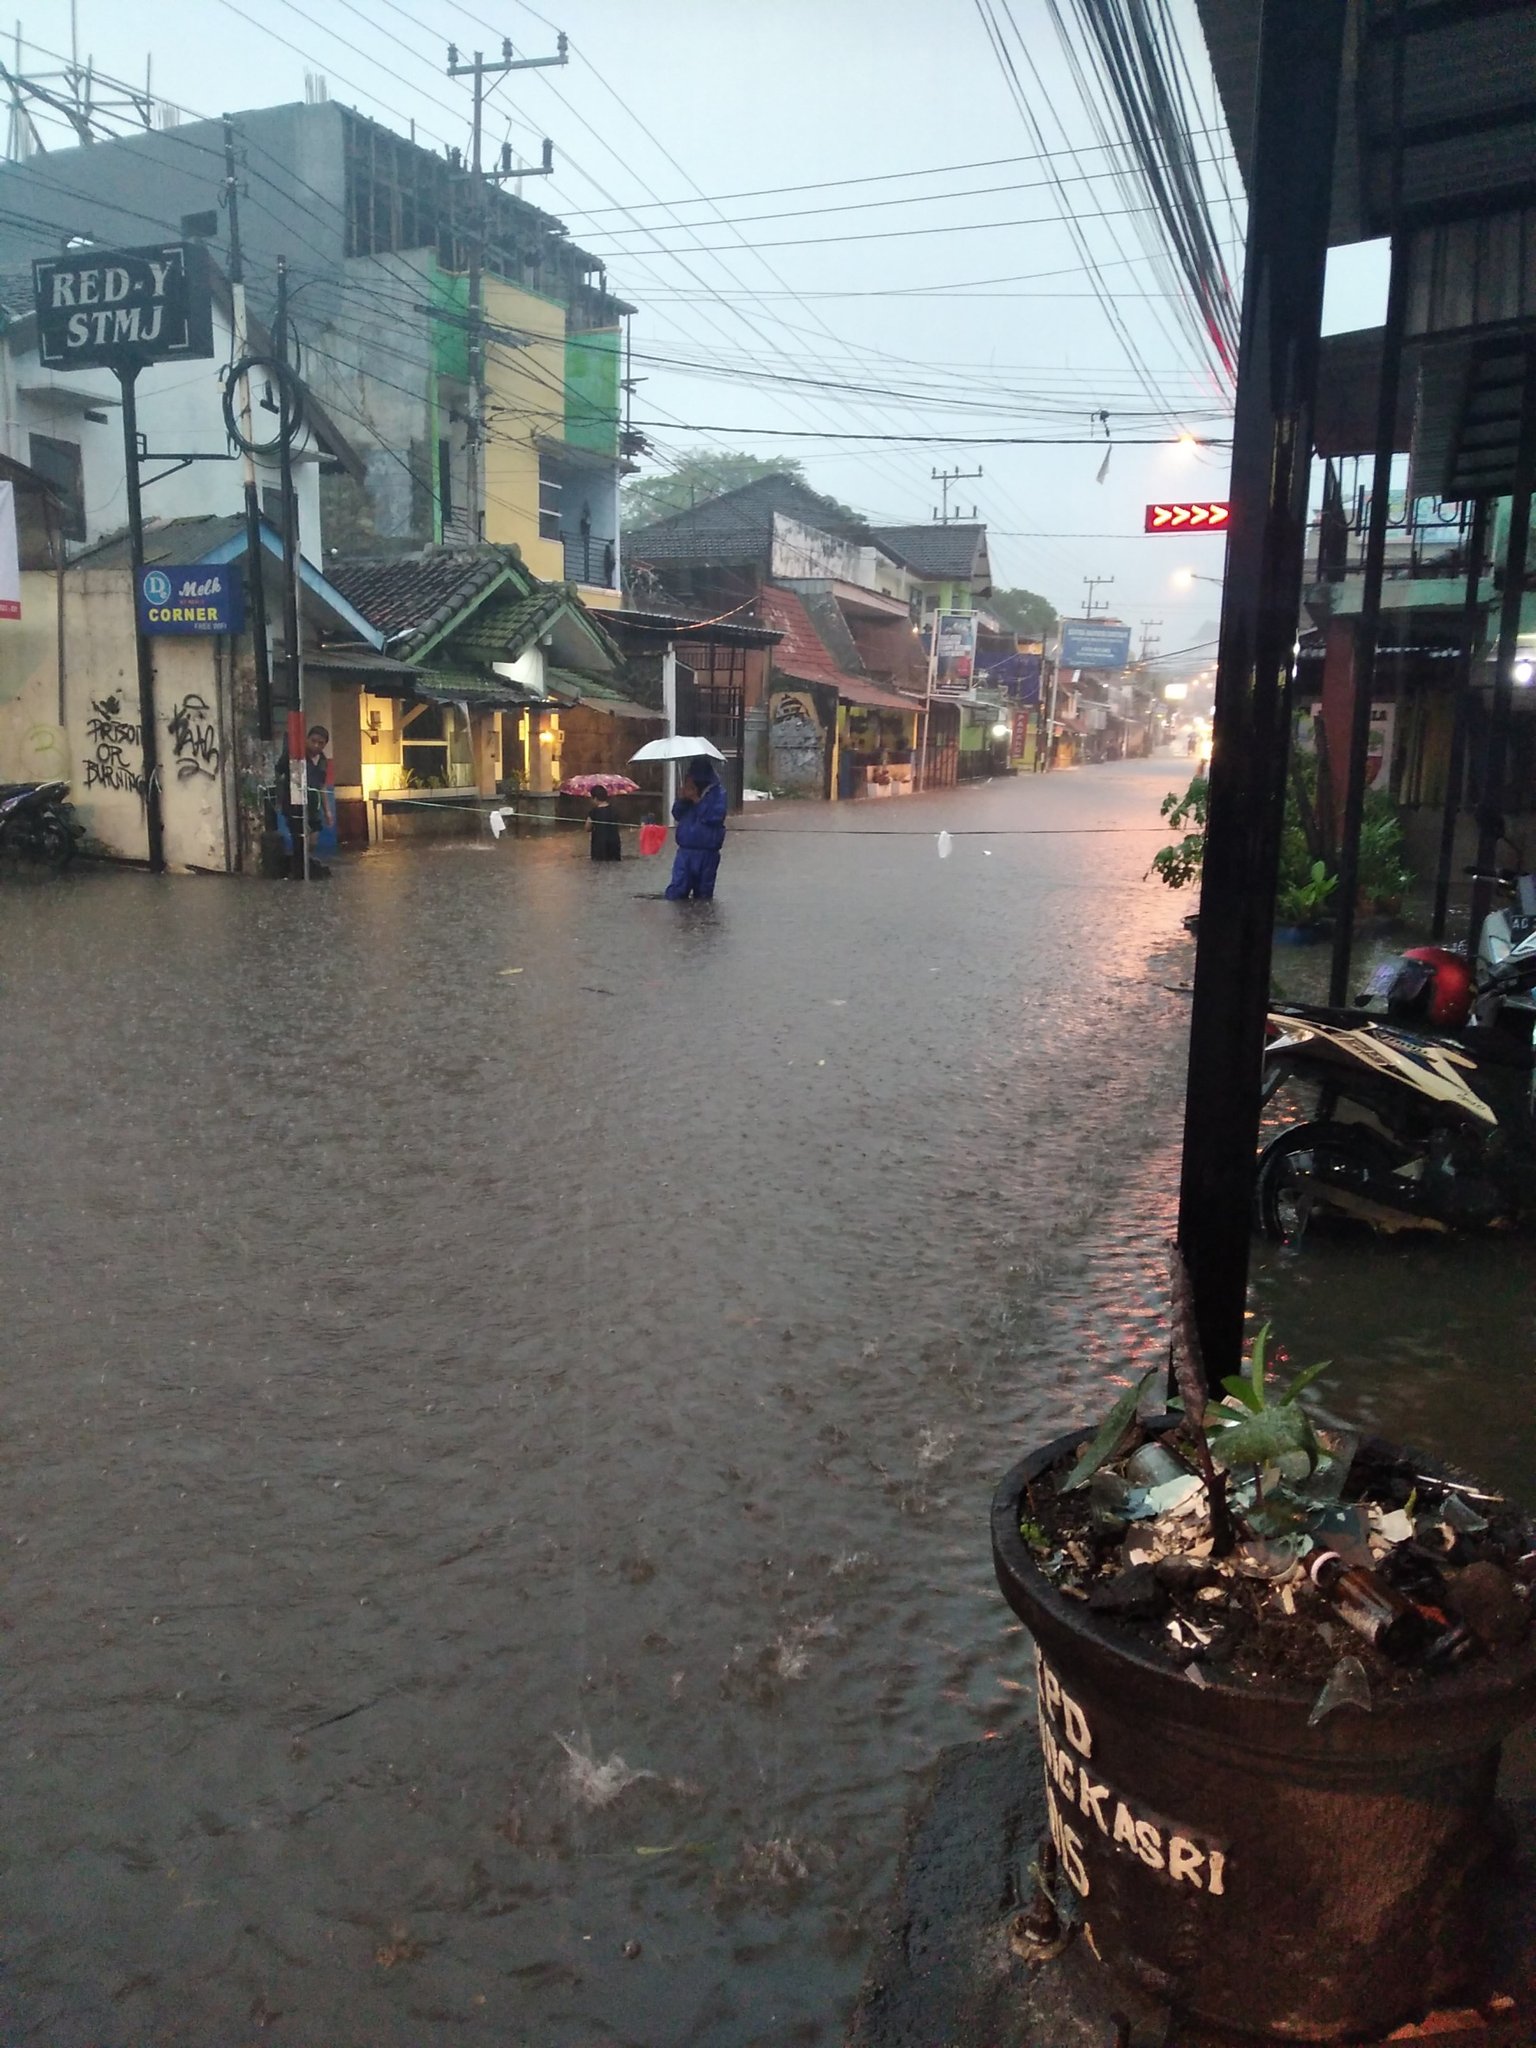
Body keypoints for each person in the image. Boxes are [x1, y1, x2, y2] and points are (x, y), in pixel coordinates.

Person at [665, 754, 727, 900]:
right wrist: (682, 799)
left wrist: (697, 800)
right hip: (686, 850)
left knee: (703, 895)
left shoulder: (718, 793)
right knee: (677, 891)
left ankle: (702, 921)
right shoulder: (688, 789)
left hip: (708, 851)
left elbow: (715, 817)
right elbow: (677, 814)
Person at [588, 782, 622, 862]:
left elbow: (587, 828)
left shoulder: (593, 812)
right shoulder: (615, 810)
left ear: (595, 798)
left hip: (599, 846)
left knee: (599, 864)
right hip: (614, 844)